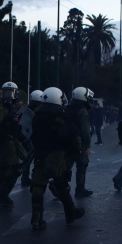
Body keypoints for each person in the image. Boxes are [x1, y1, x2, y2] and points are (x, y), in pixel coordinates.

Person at [28, 87, 86, 230]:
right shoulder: (62, 117)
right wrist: (75, 150)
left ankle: (37, 217)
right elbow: (76, 137)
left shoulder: (37, 116)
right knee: (61, 184)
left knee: (37, 187)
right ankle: (70, 212)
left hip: (40, 155)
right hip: (57, 156)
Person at [0, 82, 26, 209]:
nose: (8, 95)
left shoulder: (11, 109)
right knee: (15, 168)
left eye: (11, 92)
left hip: (10, 140)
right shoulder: (1, 109)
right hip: (5, 142)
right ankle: (1, 195)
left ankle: (2, 195)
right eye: (6, 92)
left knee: (3, 167)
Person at [65, 87, 95, 198]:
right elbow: (85, 131)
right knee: (81, 166)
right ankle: (80, 189)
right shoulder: (82, 111)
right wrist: (87, 146)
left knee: (66, 166)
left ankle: (61, 187)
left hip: (67, 141)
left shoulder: (67, 109)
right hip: (79, 143)